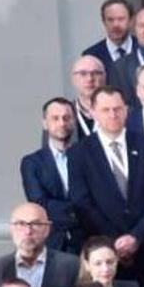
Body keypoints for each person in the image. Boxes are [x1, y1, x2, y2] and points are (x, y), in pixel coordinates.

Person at [68, 86, 144, 284]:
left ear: (126, 110)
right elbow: (82, 203)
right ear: (93, 112)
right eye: (106, 110)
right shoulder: (79, 153)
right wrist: (115, 240)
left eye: (117, 109)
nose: (113, 114)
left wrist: (136, 237)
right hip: (105, 253)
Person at [24, 97, 84, 250]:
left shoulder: (89, 157)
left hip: (87, 241)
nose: (62, 123)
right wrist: (78, 213)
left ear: (74, 120)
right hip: (52, 243)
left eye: (67, 118)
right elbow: (40, 203)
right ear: (45, 123)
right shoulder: (32, 163)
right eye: (55, 118)